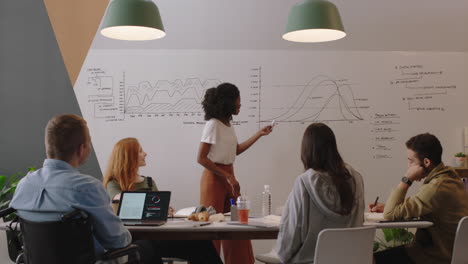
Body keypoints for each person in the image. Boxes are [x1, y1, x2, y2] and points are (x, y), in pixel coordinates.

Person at [9, 114, 159, 263]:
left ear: (49, 147)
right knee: (146, 247)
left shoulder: (25, 184)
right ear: (82, 149)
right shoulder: (87, 187)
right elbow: (118, 241)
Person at [103, 137, 223, 264]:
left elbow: (157, 207)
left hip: (157, 237)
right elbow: (118, 199)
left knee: (201, 243)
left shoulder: (149, 182)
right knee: (145, 248)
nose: (145, 153)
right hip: (134, 239)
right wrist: (154, 206)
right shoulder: (113, 183)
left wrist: (164, 210)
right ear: (129, 156)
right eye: (140, 151)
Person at [197, 82, 273, 264]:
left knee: (237, 226)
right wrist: (227, 176)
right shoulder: (213, 124)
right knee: (212, 229)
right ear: (228, 102)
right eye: (238, 100)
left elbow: (235, 150)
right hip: (214, 179)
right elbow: (201, 158)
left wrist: (258, 134)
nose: (240, 104)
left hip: (228, 177)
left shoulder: (228, 124)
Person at [369, 133, 468, 264]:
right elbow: (423, 203)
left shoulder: (436, 187)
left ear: (426, 162)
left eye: (411, 161)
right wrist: (388, 206)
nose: (409, 166)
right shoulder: (449, 178)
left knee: (370, 259)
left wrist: (407, 179)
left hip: (433, 256)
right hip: (449, 253)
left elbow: (389, 214)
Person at [273, 123, 365, 263]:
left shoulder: (303, 182)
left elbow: (290, 238)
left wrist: (280, 255)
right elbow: (359, 221)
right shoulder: (356, 179)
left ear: (306, 150)